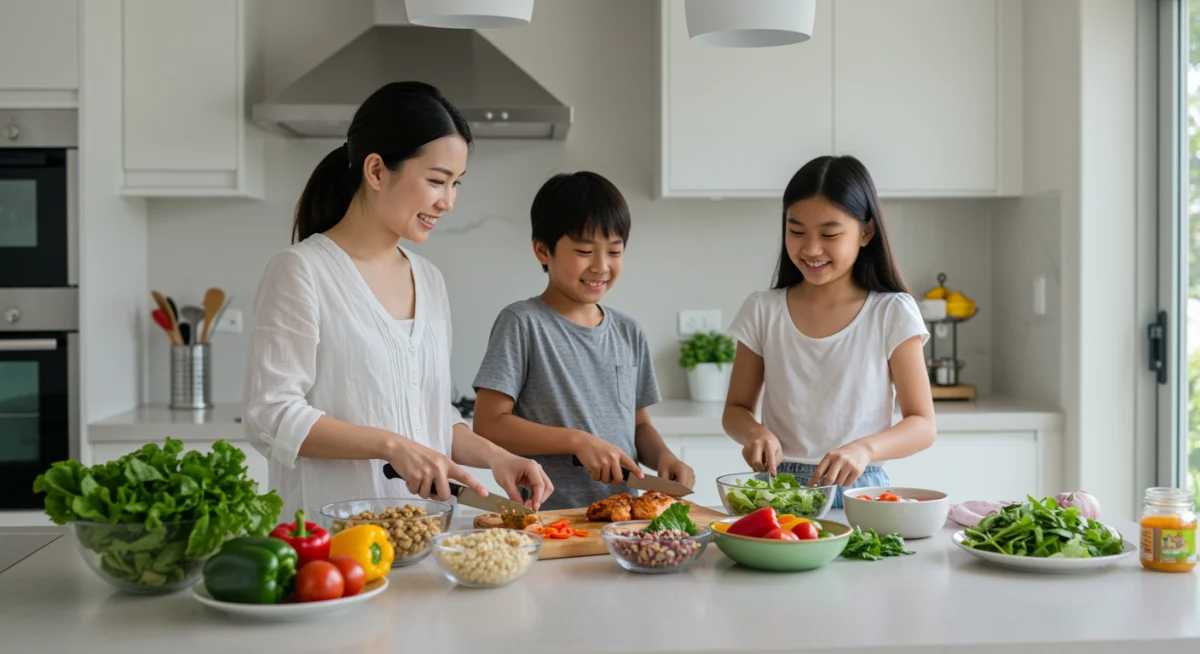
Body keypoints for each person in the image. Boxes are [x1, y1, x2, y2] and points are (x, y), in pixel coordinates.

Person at [242, 81, 553, 519]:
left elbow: (429, 414)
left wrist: (498, 457)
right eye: (436, 181)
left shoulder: (429, 280)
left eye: (456, 183)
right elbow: (270, 417)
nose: (448, 201)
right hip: (332, 548)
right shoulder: (301, 271)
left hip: (421, 536)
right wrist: (392, 445)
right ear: (375, 171)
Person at [470, 171, 695, 510]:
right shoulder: (522, 323)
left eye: (615, 251)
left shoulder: (629, 332)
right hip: (550, 518)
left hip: (623, 517)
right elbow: (488, 424)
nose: (601, 266)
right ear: (543, 250)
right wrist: (576, 441)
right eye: (584, 250)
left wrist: (664, 456)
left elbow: (639, 424)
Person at [722, 155, 936, 508]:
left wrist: (865, 449)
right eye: (796, 231)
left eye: (830, 234)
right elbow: (736, 408)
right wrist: (753, 433)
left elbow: (923, 424)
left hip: (860, 491)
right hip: (778, 489)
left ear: (866, 232)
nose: (810, 248)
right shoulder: (763, 309)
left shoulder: (891, 311)